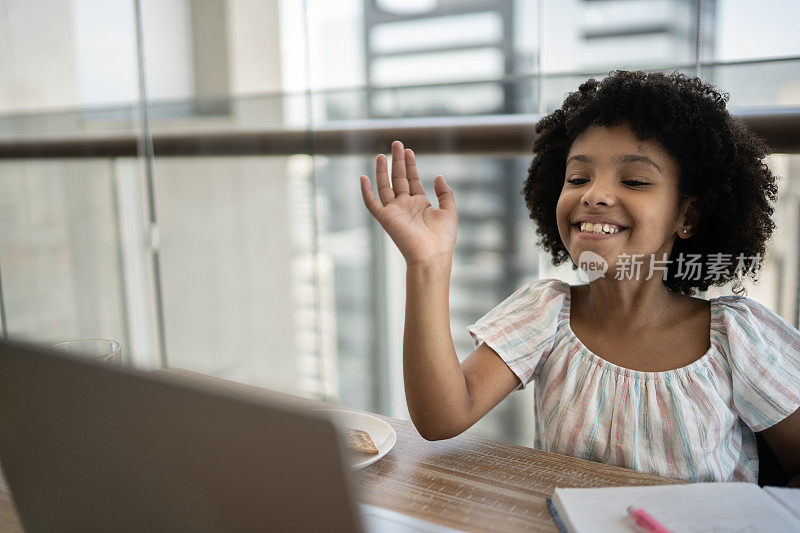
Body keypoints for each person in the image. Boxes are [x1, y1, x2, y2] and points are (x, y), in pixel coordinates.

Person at [358, 70, 800, 485]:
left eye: (635, 180)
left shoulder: (738, 337)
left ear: (687, 215)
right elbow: (441, 418)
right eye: (577, 177)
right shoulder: (546, 313)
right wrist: (428, 263)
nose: (594, 194)